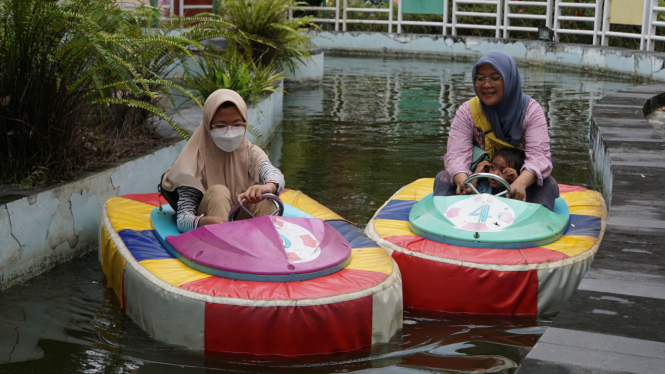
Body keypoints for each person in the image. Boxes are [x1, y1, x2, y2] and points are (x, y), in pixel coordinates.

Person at [433, 50, 559, 211]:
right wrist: (463, 181)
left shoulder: (531, 112)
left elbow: (539, 157)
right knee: (442, 180)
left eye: (494, 78)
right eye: (480, 79)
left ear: (508, 79)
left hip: (519, 183)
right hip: (478, 182)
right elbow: (456, 154)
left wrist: (520, 183)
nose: (486, 85)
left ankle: (530, 226)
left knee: (547, 185)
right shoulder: (467, 111)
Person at [160, 89, 285, 232]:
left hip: (245, 218)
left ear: (245, 123)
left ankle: (268, 242)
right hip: (213, 226)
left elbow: (274, 175)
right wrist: (202, 222)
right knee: (218, 192)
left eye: (237, 124)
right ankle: (224, 242)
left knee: (262, 196)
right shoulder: (193, 161)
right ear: (208, 125)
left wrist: (268, 187)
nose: (230, 132)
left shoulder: (251, 152)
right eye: (220, 126)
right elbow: (183, 219)